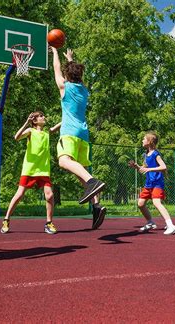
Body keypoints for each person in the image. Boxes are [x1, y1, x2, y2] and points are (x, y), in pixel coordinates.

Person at [51, 47, 106, 230]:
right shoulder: (84, 90)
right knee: (79, 171)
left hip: (69, 133)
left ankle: (93, 182)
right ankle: (97, 206)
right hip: (83, 135)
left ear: (67, 76)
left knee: (64, 161)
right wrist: (71, 59)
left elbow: (56, 69)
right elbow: (71, 71)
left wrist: (55, 52)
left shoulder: (65, 88)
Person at [0, 111, 61, 234]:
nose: (44, 117)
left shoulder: (46, 133)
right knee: (20, 194)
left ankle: (49, 223)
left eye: (44, 115)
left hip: (43, 170)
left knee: (49, 195)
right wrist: (26, 123)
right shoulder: (30, 131)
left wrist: (71, 115)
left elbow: (58, 126)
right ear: (35, 120)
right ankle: (6, 219)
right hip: (30, 169)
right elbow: (16, 137)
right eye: (41, 116)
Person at [128, 132, 175, 235]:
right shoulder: (145, 155)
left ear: (149, 142)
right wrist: (136, 166)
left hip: (157, 183)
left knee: (156, 202)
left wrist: (149, 169)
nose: (142, 140)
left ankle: (171, 225)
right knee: (140, 204)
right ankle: (150, 222)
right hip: (148, 184)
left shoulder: (156, 154)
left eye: (144, 139)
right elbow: (143, 169)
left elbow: (164, 167)